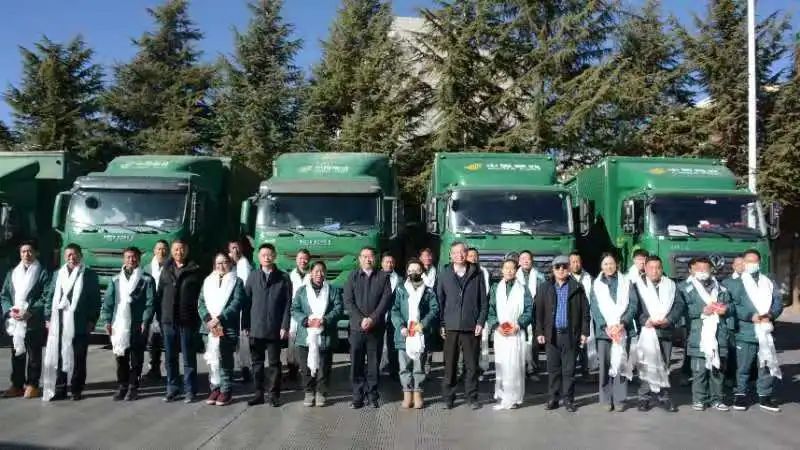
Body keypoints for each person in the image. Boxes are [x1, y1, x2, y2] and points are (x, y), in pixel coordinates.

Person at [42, 244, 101, 401]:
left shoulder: (88, 275)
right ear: (64, 257)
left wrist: (92, 320)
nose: (71, 257)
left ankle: (76, 389)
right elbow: (50, 297)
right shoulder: (58, 274)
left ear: (81, 256)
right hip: (59, 322)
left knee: (79, 358)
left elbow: (95, 300)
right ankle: (60, 389)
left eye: (74, 254)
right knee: (59, 356)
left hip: (80, 323)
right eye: (68, 255)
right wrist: (47, 318)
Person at [726, 249, 783, 412]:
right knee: (743, 367)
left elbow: (778, 301)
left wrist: (770, 315)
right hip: (746, 331)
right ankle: (741, 394)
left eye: (755, 261)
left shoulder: (768, 281)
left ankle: (765, 396)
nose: (752, 264)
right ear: (743, 263)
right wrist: (750, 316)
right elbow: (732, 306)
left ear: (759, 263)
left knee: (766, 364)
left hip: (766, 329)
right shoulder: (735, 283)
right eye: (749, 261)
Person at [535, 255, 590, 412]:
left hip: (570, 335)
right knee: (553, 370)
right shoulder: (544, 287)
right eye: (557, 267)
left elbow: (585, 312)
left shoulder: (577, 287)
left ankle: (568, 400)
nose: (561, 270)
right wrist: (539, 331)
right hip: (551, 335)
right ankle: (553, 398)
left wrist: (584, 332)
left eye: (564, 267)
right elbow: (538, 313)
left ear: (569, 269)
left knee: (569, 370)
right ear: (553, 269)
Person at [100, 247, 156, 401]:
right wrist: (107, 320)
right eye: (128, 257)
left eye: (134, 257)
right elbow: (108, 302)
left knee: (136, 357)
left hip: (138, 324)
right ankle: (122, 386)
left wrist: (145, 320)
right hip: (119, 324)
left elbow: (150, 303)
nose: (131, 260)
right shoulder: (115, 279)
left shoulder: (147, 280)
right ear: (124, 259)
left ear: (139, 259)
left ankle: (133, 387)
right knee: (121, 357)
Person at [438, 241, 488, 410]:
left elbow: (483, 301)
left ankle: (472, 397)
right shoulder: (444, 274)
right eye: (455, 252)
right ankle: (448, 398)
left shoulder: (477, 273)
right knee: (450, 365)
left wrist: (480, 321)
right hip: (451, 326)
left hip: (471, 326)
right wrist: (442, 323)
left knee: (472, 365)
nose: (459, 255)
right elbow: (440, 300)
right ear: (450, 255)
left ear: (466, 254)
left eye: (462, 252)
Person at [680, 257, 732, 411]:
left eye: (706, 268)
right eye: (699, 268)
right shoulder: (685, 288)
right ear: (692, 270)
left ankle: (717, 399)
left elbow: (731, 306)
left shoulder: (721, 288)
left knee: (717, 369)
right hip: (699, 334)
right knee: (699, 370)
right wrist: (701, 311)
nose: (703, 271)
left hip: (719, 334)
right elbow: (682, 310)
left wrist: (726, 309)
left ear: (711, 270)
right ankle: (699, 399)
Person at [243, 243, 292, 407]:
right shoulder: (252, 276)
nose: (267, 257)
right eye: (263, 255)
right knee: (257, 363)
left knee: (274, 364)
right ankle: (258, 393)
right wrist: (245, 324)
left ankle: (273, 395)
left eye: (270, 254)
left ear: (275, 256)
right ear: (259, 257)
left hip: (274, 328)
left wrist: (285, 326)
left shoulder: (283, 278)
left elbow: (287, 304)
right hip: (255, 328)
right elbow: (246, 303)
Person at [344, 246, 393, 409]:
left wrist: (372, 319)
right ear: (359, 259)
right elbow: (348, 301)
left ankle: (373, 395)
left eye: (370, 256)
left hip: (375, 328)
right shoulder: (352, 276)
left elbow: (386, 300)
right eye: (364, 256)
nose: (368, 259)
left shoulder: (383, 277)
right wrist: (361, 320)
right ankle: (357, 396)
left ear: (375, 258)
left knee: (373, 364)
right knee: (356, 363)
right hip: (356, 329)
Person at [155, 239, 203, 403]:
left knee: (188, 358)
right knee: (170, 358)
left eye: (181, 249)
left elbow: (200, 296)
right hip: (168, 320)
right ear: (172, 251)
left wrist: (197, 319)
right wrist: (160, 317)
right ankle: (172, 388)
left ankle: (190, 390)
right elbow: (160, 294)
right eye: (176, 249)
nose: (178, 252)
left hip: (186, 320)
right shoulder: (166, 269)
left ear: (186, 250)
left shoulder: (195, 270)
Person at [1, 241, 51, 399]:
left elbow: (46, 296)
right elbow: (4, 295)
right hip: (15, 321)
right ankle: (17, 385)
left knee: (34, 355)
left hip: (33, 321)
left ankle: (32, 385)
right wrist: (10, 311)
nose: (26, 254)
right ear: (20, 254)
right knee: (17, 353)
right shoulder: (12, 273)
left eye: (29, 251)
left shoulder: (43, 273)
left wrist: (30, 312)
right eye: (23, 251)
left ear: (36, 253)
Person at [590, 252, 638, 412]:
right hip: (604, 332)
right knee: (605, 365)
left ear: (616, 264)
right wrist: (605, 326)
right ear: (601, 266)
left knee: (621, 363)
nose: (609, 266)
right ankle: (606, 398)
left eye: (611, 263)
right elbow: (595, 308)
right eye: (605, 264)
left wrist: (622, 324)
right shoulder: (596, 284)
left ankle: (619, 398)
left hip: (623, 330)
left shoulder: (626, 282)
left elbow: (633, 305)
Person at [633, 256, 683, 412]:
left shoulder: (671, 285)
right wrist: (644, 320)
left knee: (664, 365)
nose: (654, 271)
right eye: (651, 268)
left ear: (662, 269)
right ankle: (644, 397)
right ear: (645, 269)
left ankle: (663, 397)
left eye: (658, 268)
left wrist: (669, 319)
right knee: (647, 365)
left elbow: (679, 305)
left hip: (665, 330)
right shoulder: (637, 286)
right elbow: (634, 307)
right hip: (647, 330)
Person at [292, 261, 343, 407]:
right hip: (306, 336)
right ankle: (309, 392)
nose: (319, 274)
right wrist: (305, 320)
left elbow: (338, 308)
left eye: (321, 271)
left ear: (325, 273)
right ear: (310, 273)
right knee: (305, 367)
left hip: (326, 334)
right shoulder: (302, 291)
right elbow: (294, 309)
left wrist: (325, 320)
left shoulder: (332, 290)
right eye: (316, 271)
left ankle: (321, 392)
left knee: (324, 367)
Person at [391, 258, 439, 410]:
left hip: (420, 335)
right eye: (410, 270)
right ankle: (407, 393)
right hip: (404, 335)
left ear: (422, 271)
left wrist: (423, 324)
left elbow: (434, 309)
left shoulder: (428, 290)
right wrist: (401, 326)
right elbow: (394, 310)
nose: (413, 273)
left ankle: (418, 393)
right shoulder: (400, 289)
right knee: (404, 367)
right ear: (407, 272)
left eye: (417, 270)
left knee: (419, 367)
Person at [199, 253, 246, 407]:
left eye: (225, 262)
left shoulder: (237, 281)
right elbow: (201, 302)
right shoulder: (207, 281)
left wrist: (219, 318)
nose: (221, 266)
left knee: (225, 359)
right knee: (212, 359)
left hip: (227, 326)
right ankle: (215, 387)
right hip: (209, 327)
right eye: (218, 263)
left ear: (230, 264)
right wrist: (208, 319)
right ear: (214, 265)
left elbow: (236, 303)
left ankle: (226, 390)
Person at [487, 258, 532, 410]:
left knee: (514, 365)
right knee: (502, 364)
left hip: (516, 332)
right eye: (506, 268)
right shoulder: (495, 288)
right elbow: (491, 310)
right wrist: (496, 325)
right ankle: (503, 395)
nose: (509, 271)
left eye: (512, 268)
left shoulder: (523, 289)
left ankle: (514, 397)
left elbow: (529, 310)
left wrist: (518, 325)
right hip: (501, 332)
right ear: (502, 270)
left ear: (516, 270)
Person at [143, 240, 168, 382]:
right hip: (151, 307)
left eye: (164, 249)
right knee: (152, 340)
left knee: (167, 340)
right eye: (158, 249)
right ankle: (154, 368)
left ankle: (170, 370)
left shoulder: (170, 267)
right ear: (154, 251)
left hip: (165, 308)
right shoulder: (147, 268)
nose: (161, 252)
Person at [228, 239, 252, 384]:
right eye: (232, 248)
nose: (234, 250)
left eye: (237, 247)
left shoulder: (244, 264)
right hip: (233, 308)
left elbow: (244, 288)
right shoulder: (232, 265)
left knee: (243, 341)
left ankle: (245, 371)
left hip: (241, 308)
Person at [518, 250, 545, 378]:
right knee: (520, 342)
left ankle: (533, 369)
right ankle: (521, 369)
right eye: (523, 258)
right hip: (520, 314)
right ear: (519, 261)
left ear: (532, 261)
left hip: (535, 313)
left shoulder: (540, 277)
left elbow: (544, 296)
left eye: (528, 258)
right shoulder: (514, 276)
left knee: (534, 342)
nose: (526, 261)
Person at [569, 251, 595, 378]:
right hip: (571, 317)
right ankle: (570, 372)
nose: (576, 264)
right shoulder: (566, 278)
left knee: (585, 344)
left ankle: (586, 370)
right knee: (571, 346)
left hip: (586, 316)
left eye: (578, 261)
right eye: (573, 262)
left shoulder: (589, 278)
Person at [287, 249, 311, 381]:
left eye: (305, 258)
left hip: (307, 314)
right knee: (292, 340)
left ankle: (306, 370)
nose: (303, 261)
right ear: (296, 260)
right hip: (293, 312)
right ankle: (292, 368)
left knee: (306, 341)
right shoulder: (290, 276)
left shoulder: (312, 275)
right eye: (300, 258)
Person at [467, 248, 491, 377]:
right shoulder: (462, 272)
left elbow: (487, 294)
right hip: (467, 314)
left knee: (480, 343)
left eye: (475, 256)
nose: (473, 258)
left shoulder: (484, 272)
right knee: (467, 344)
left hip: (481, 312)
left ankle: (480, 368)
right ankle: (465, 370)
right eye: (470, 255)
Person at [380, 252, 401, 380]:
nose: (389, 264)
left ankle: (394, 370)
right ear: (381, 263)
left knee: (393, 344)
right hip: (378, 316)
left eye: (392, 262)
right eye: (387, 262)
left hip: (394, 317)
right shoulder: (375, 278)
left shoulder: (400, 280)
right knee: (378, 345)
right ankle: (380, 369)